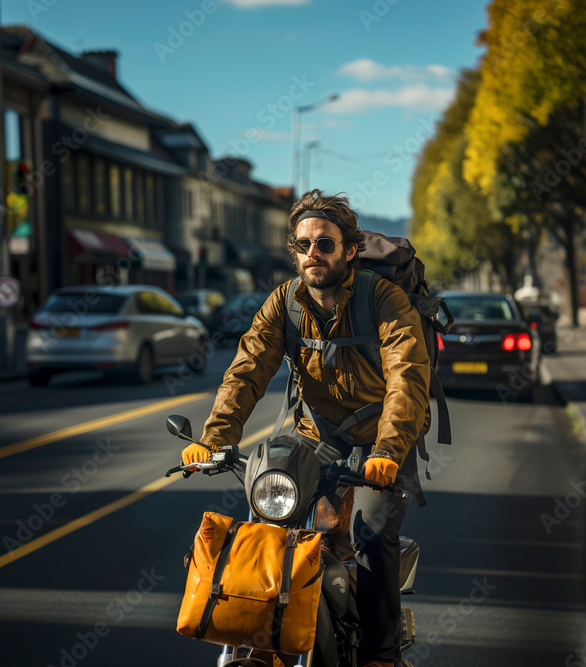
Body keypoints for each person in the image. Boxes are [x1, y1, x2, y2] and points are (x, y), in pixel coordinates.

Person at [181, 189, 430, 667]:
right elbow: (248, 368)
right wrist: (215, 438)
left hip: (380, 443)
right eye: (302, 245)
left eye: (325, 244)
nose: (312, 253)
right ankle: (263, 640)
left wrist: (389, 450)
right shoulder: (285, 301)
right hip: (314, 437)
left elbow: (407, 378)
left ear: (350, 251)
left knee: (372, 534)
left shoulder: (384, 299)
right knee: (269, 525)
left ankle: (380, 655)